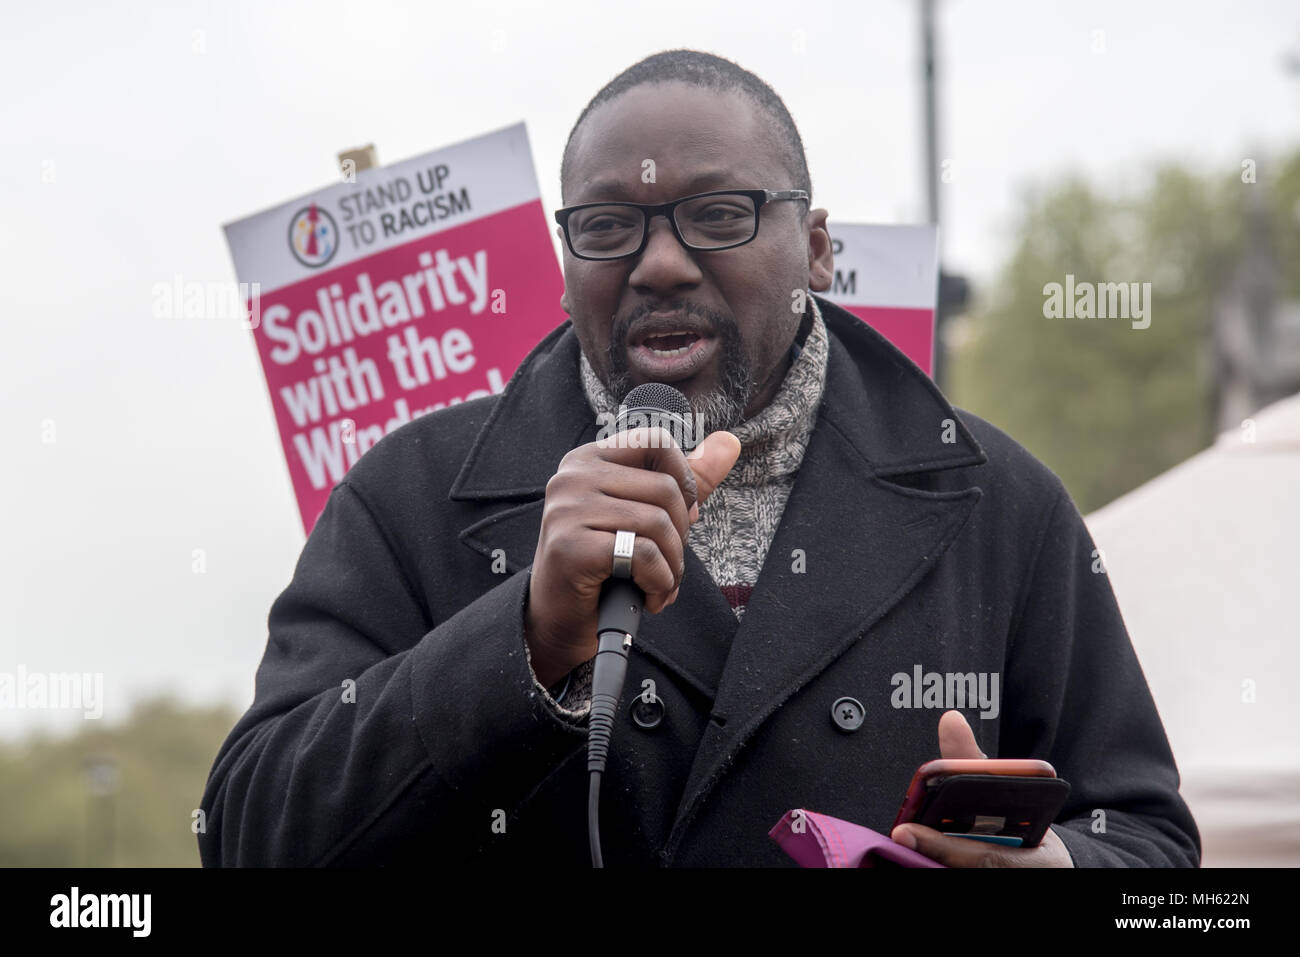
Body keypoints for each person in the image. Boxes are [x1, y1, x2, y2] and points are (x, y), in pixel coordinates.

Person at [199, 49, 1200, 868]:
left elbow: (1147, 845)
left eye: (719, 216)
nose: (662, 262)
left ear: (813, 247)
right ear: (564, 267)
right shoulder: (408, 497)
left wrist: (1057, 867)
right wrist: (527, 641)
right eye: (606, 227)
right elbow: (250, 836)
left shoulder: (995, 501)